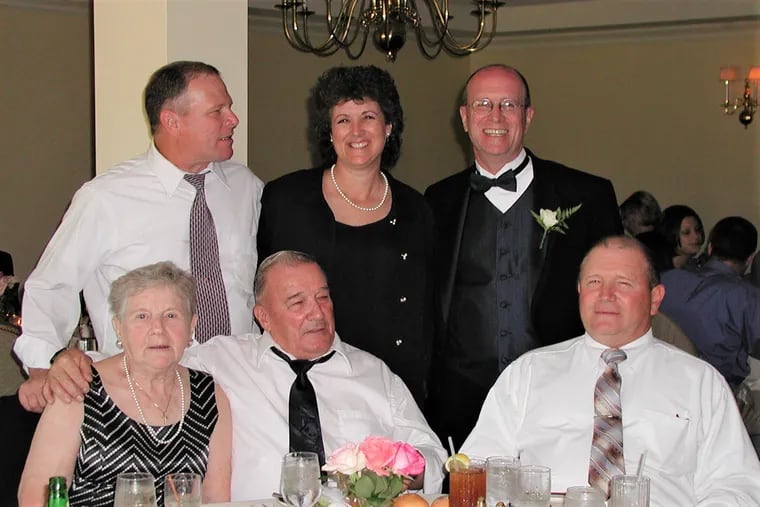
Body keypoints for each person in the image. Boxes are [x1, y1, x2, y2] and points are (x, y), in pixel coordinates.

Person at [47, 251, 447, 501]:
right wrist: (70, 362)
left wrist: (396, 472)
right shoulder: (221, 361)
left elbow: (433, 455)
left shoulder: (373, 373)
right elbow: (148, 355)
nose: (316, 312)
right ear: (263, 316)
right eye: (297, 302)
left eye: (323, 297)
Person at [14, 60, 264, 413]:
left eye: (230, 107)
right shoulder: (106, 198)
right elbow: (52, 285)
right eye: (217, 111)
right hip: (139, 397)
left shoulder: (246, 188)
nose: (233, 119)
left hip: (239, 393)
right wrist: (43, 367)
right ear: (172, 121)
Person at [460, 236, 760, 505]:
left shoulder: (700, 382)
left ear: (655, 299)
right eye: (594, 282)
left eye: (623, 283)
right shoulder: (528, 372)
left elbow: (737, 484)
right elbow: (477, 464)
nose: (605, 295)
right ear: (579, 291)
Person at [424, 64, 623, 448]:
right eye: (483, 105)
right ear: (464, 118)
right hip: (461, 404)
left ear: (528, 117)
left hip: (560, 397)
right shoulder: (436, 200)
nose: (495, 117)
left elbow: (617, 295)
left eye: (508, 105)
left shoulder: (587, 195)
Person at [257, 65, 434, 406]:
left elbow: (424, 313)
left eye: (368, 117)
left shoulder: (417, 209)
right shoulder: (286, 199)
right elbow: (265, 291)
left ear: (388, 126)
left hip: (392, 386)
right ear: (329, 132)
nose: (357, 131)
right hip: (303, 381)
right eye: (343, 120)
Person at [17, 262, 232, 506]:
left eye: (171, 315)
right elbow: (36, 495)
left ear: (191, 326)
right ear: (119, 329)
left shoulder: (209, 394)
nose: (158, 329)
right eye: (142, 316)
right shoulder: (79, 386)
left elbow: (217, 500)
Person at [659, 216, 760, 388]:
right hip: (715, 389)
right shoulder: (747, 296)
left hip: (663, 377)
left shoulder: (666, 279)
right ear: (749, 259)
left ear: (710, 248)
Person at [657, 204, 705, 270]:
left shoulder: (698, 265)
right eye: (686, 232)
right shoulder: (660, 271)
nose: (696, 236)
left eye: (697, 229)